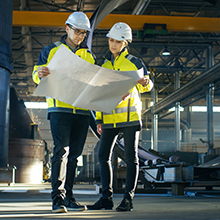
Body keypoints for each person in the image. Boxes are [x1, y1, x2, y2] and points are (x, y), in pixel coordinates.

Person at [32, 11, 95, 213]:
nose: (80, 36)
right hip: (60, 109)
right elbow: (37, 73)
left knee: (75, 156)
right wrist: (38, 74)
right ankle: (57, 199)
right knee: (61, 152)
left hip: (83, 111)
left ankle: (69, 197)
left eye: (84, 33)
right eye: (77, 31)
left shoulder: (89, 56)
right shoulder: (50, 50)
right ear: (67, 28)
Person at [87, 22, 153, 211]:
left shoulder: (134, 62)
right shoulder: (103, 64)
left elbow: (147, 85)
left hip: (129, 117)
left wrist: (146, 82)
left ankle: (127, 199)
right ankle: (106, 198)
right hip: (108, 117)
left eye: (117, 41)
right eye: (110, 40)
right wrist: (99, 118)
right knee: (103, 155)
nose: (113, 44)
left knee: (131, 158)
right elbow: (99, 93)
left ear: (125, 43)